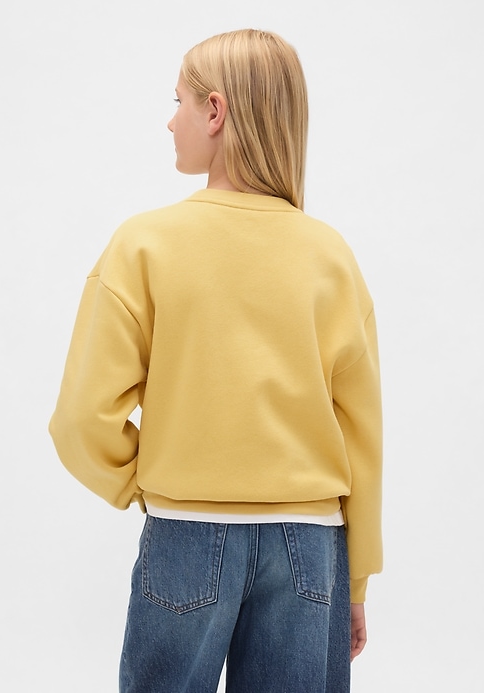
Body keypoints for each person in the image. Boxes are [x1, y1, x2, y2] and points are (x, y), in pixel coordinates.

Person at [49, 28, 382, 693]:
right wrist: (356, 579)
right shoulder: (330, 255)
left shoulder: (144, 244)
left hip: (188, 533)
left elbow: (81, 420)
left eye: (178, 100)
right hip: (309, 544)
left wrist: (147, 479)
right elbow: (361, 434)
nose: (170, 119)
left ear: (215, 112)